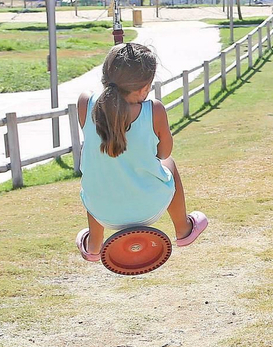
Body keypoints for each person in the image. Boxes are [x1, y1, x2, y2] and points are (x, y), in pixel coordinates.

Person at [75, 42, 208, 261]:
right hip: (150, 207)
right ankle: (183, 229)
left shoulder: (85, 102)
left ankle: (94, 245)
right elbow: (164, 153)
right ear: (145, 87)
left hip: (102, 211)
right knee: (170, 164)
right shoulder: (153, 110)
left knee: (98, 174)